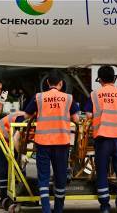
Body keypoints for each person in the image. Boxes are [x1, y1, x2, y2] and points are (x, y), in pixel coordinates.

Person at [85, 66, 117, 213]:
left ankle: (104, 206)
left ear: (100, 79)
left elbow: (88, 115)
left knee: (102, 171)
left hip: (102, 138)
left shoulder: (95, 94)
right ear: (114, 78)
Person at [25, 71, 79, 213]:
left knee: (43, 177)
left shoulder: (39, 97)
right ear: (61, 84)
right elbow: (76, 119)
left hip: (43, 142)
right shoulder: (68, 98)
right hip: (62, 142)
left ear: (47, 83)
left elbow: (26, 115)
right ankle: (59, 209)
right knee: (60, 176)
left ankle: (46, 210)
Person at [0, 110, 26, 206]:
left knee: (19, 169)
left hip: (12, 139)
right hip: (0, 136)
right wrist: (22, 155)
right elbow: (16, 138)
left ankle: (20, 195)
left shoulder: (40, 121)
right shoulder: (23, 119)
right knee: (5, 168)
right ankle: (4, 198)